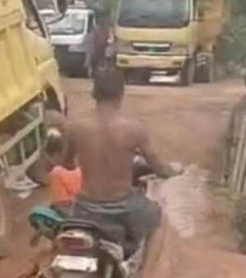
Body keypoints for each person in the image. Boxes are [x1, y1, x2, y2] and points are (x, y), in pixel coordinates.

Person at [62, 67, 181, 258]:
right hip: (123, 207)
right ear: (121, 94)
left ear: (94, 93)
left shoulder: (75, 127)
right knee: (159, 222)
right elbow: (160, 168)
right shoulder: (134, 130)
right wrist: (175, 170)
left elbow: (67, 164)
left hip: (86, 207)